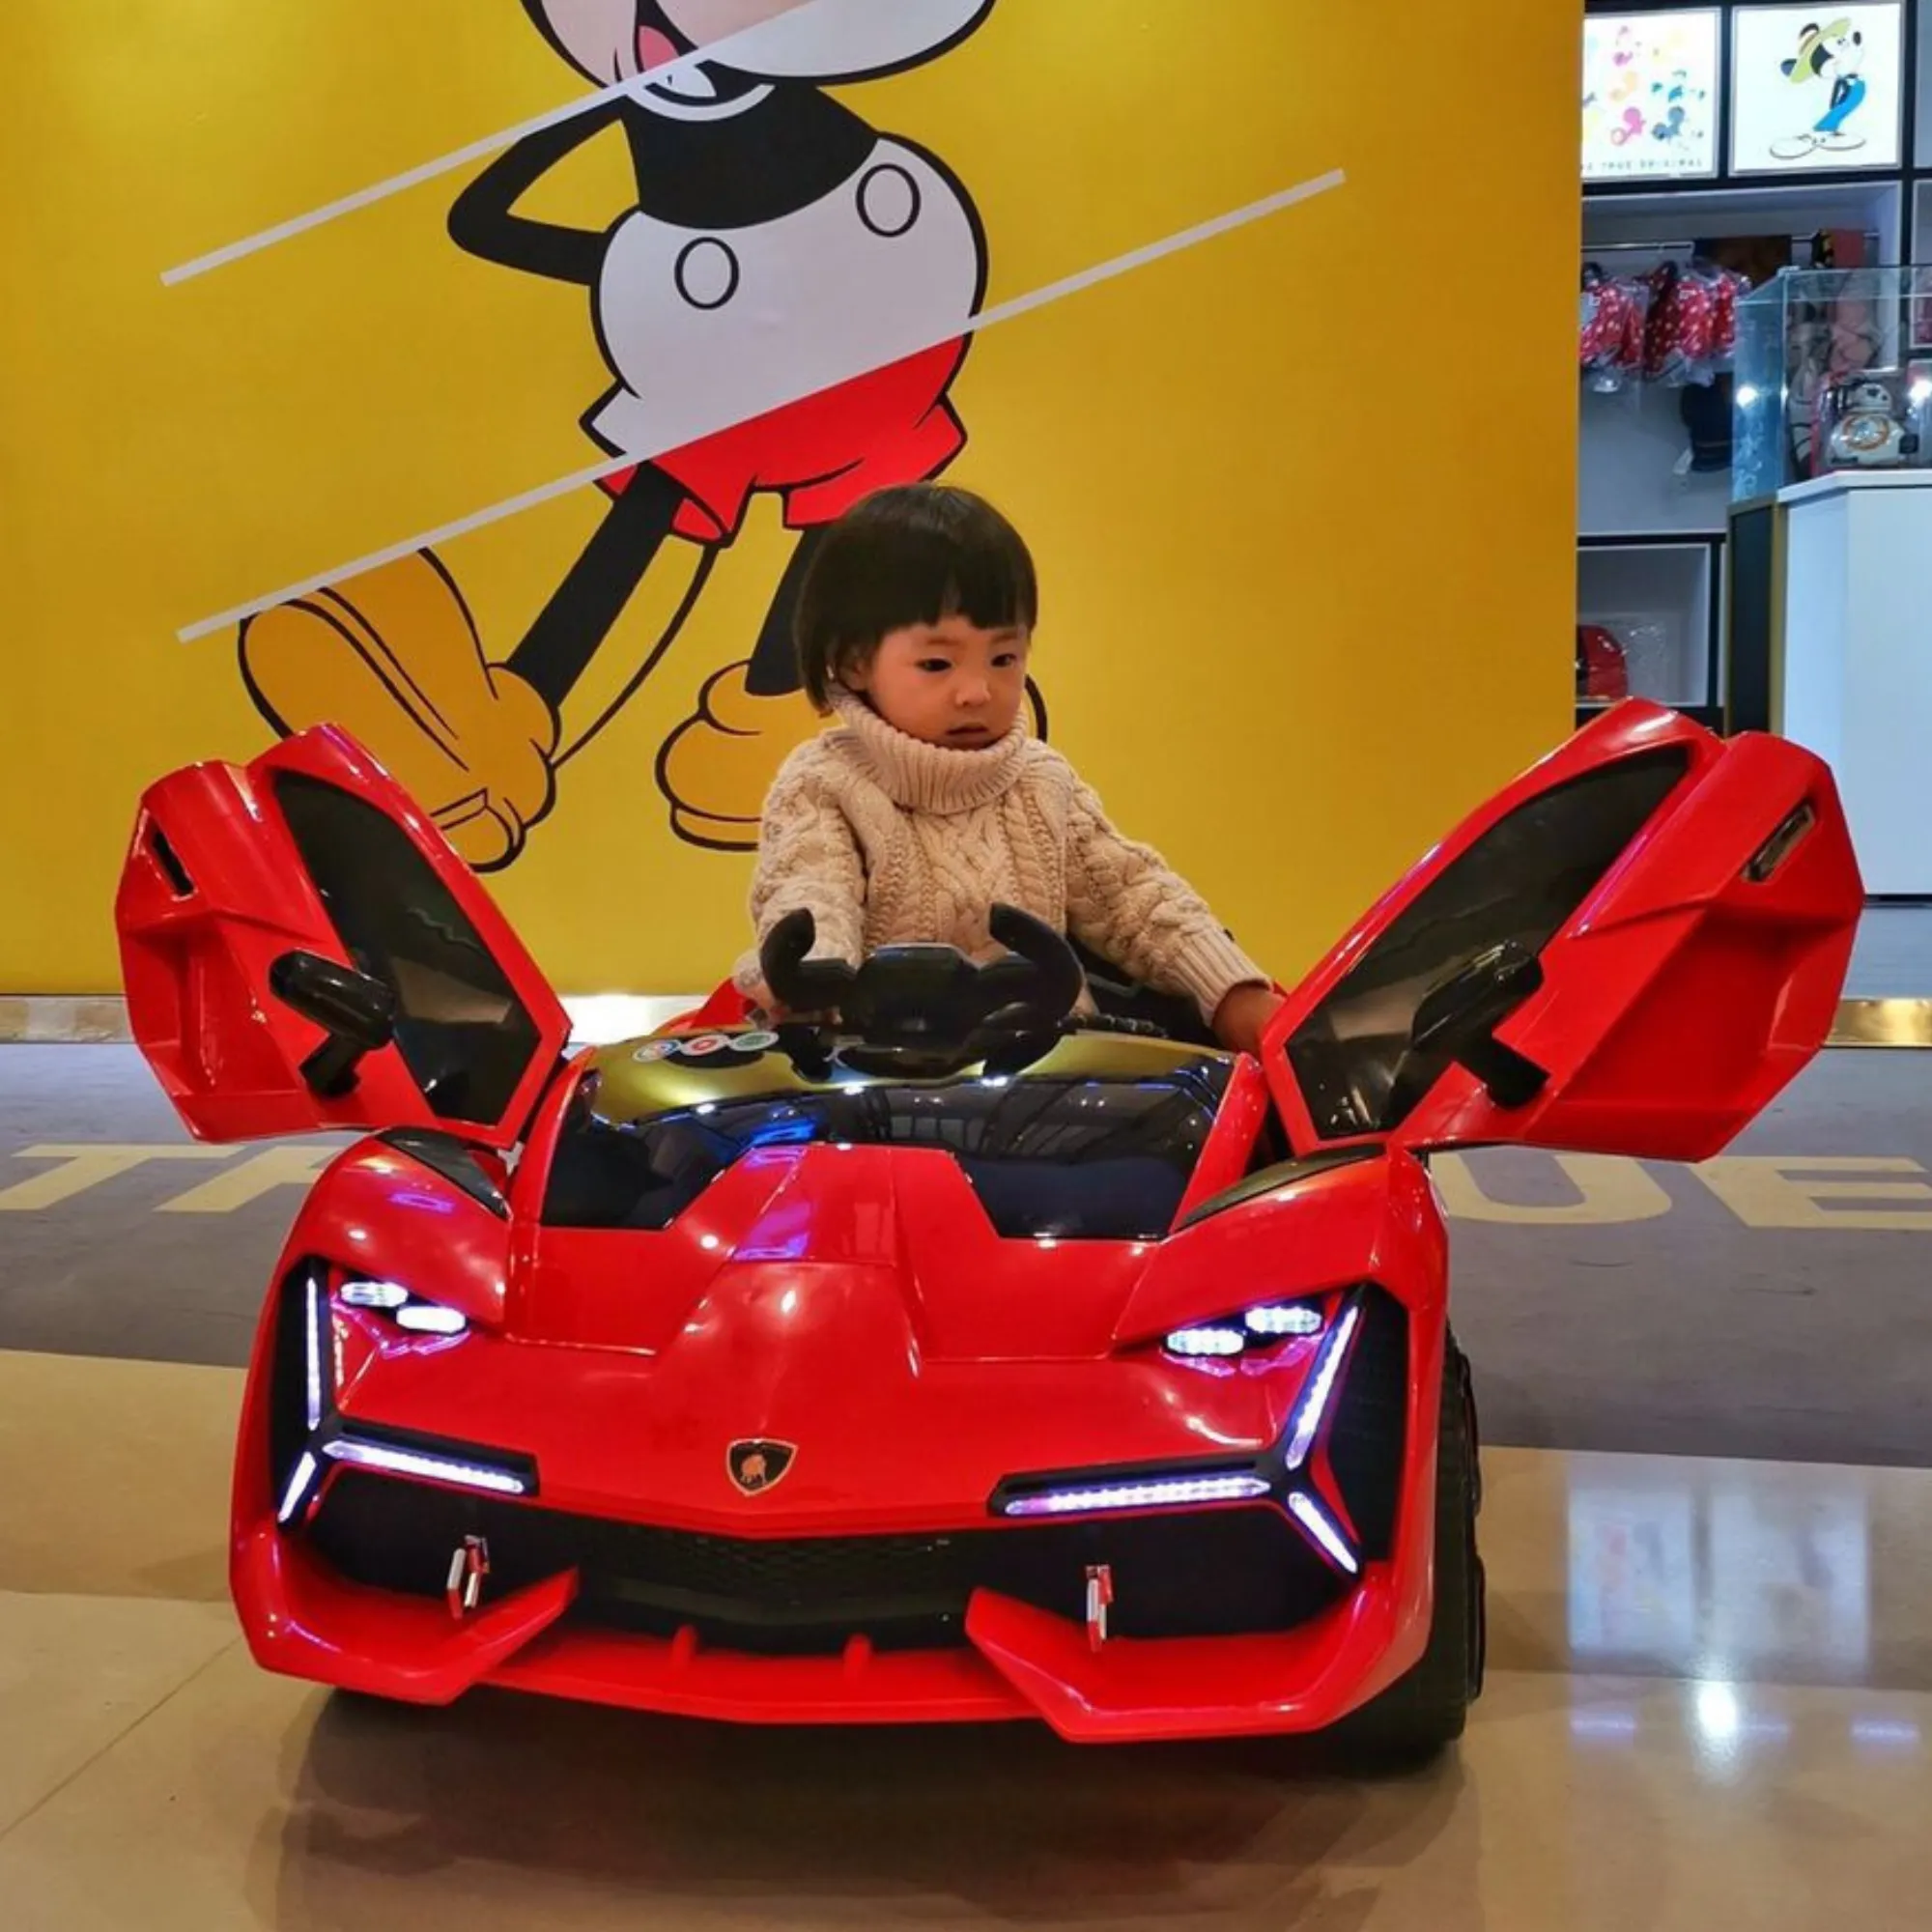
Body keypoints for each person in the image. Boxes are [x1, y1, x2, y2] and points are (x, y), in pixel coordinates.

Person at [734, 483, 1286, 1056]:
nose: (978, 691)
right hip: (880, 1070)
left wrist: (1231, 992)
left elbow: (1135, 899)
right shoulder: (822, 781)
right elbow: (811, 891)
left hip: (1049, 1070)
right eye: (937, 663)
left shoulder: (1041, 780)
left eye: (1003, 658)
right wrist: (813, 968)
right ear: (853, 662)